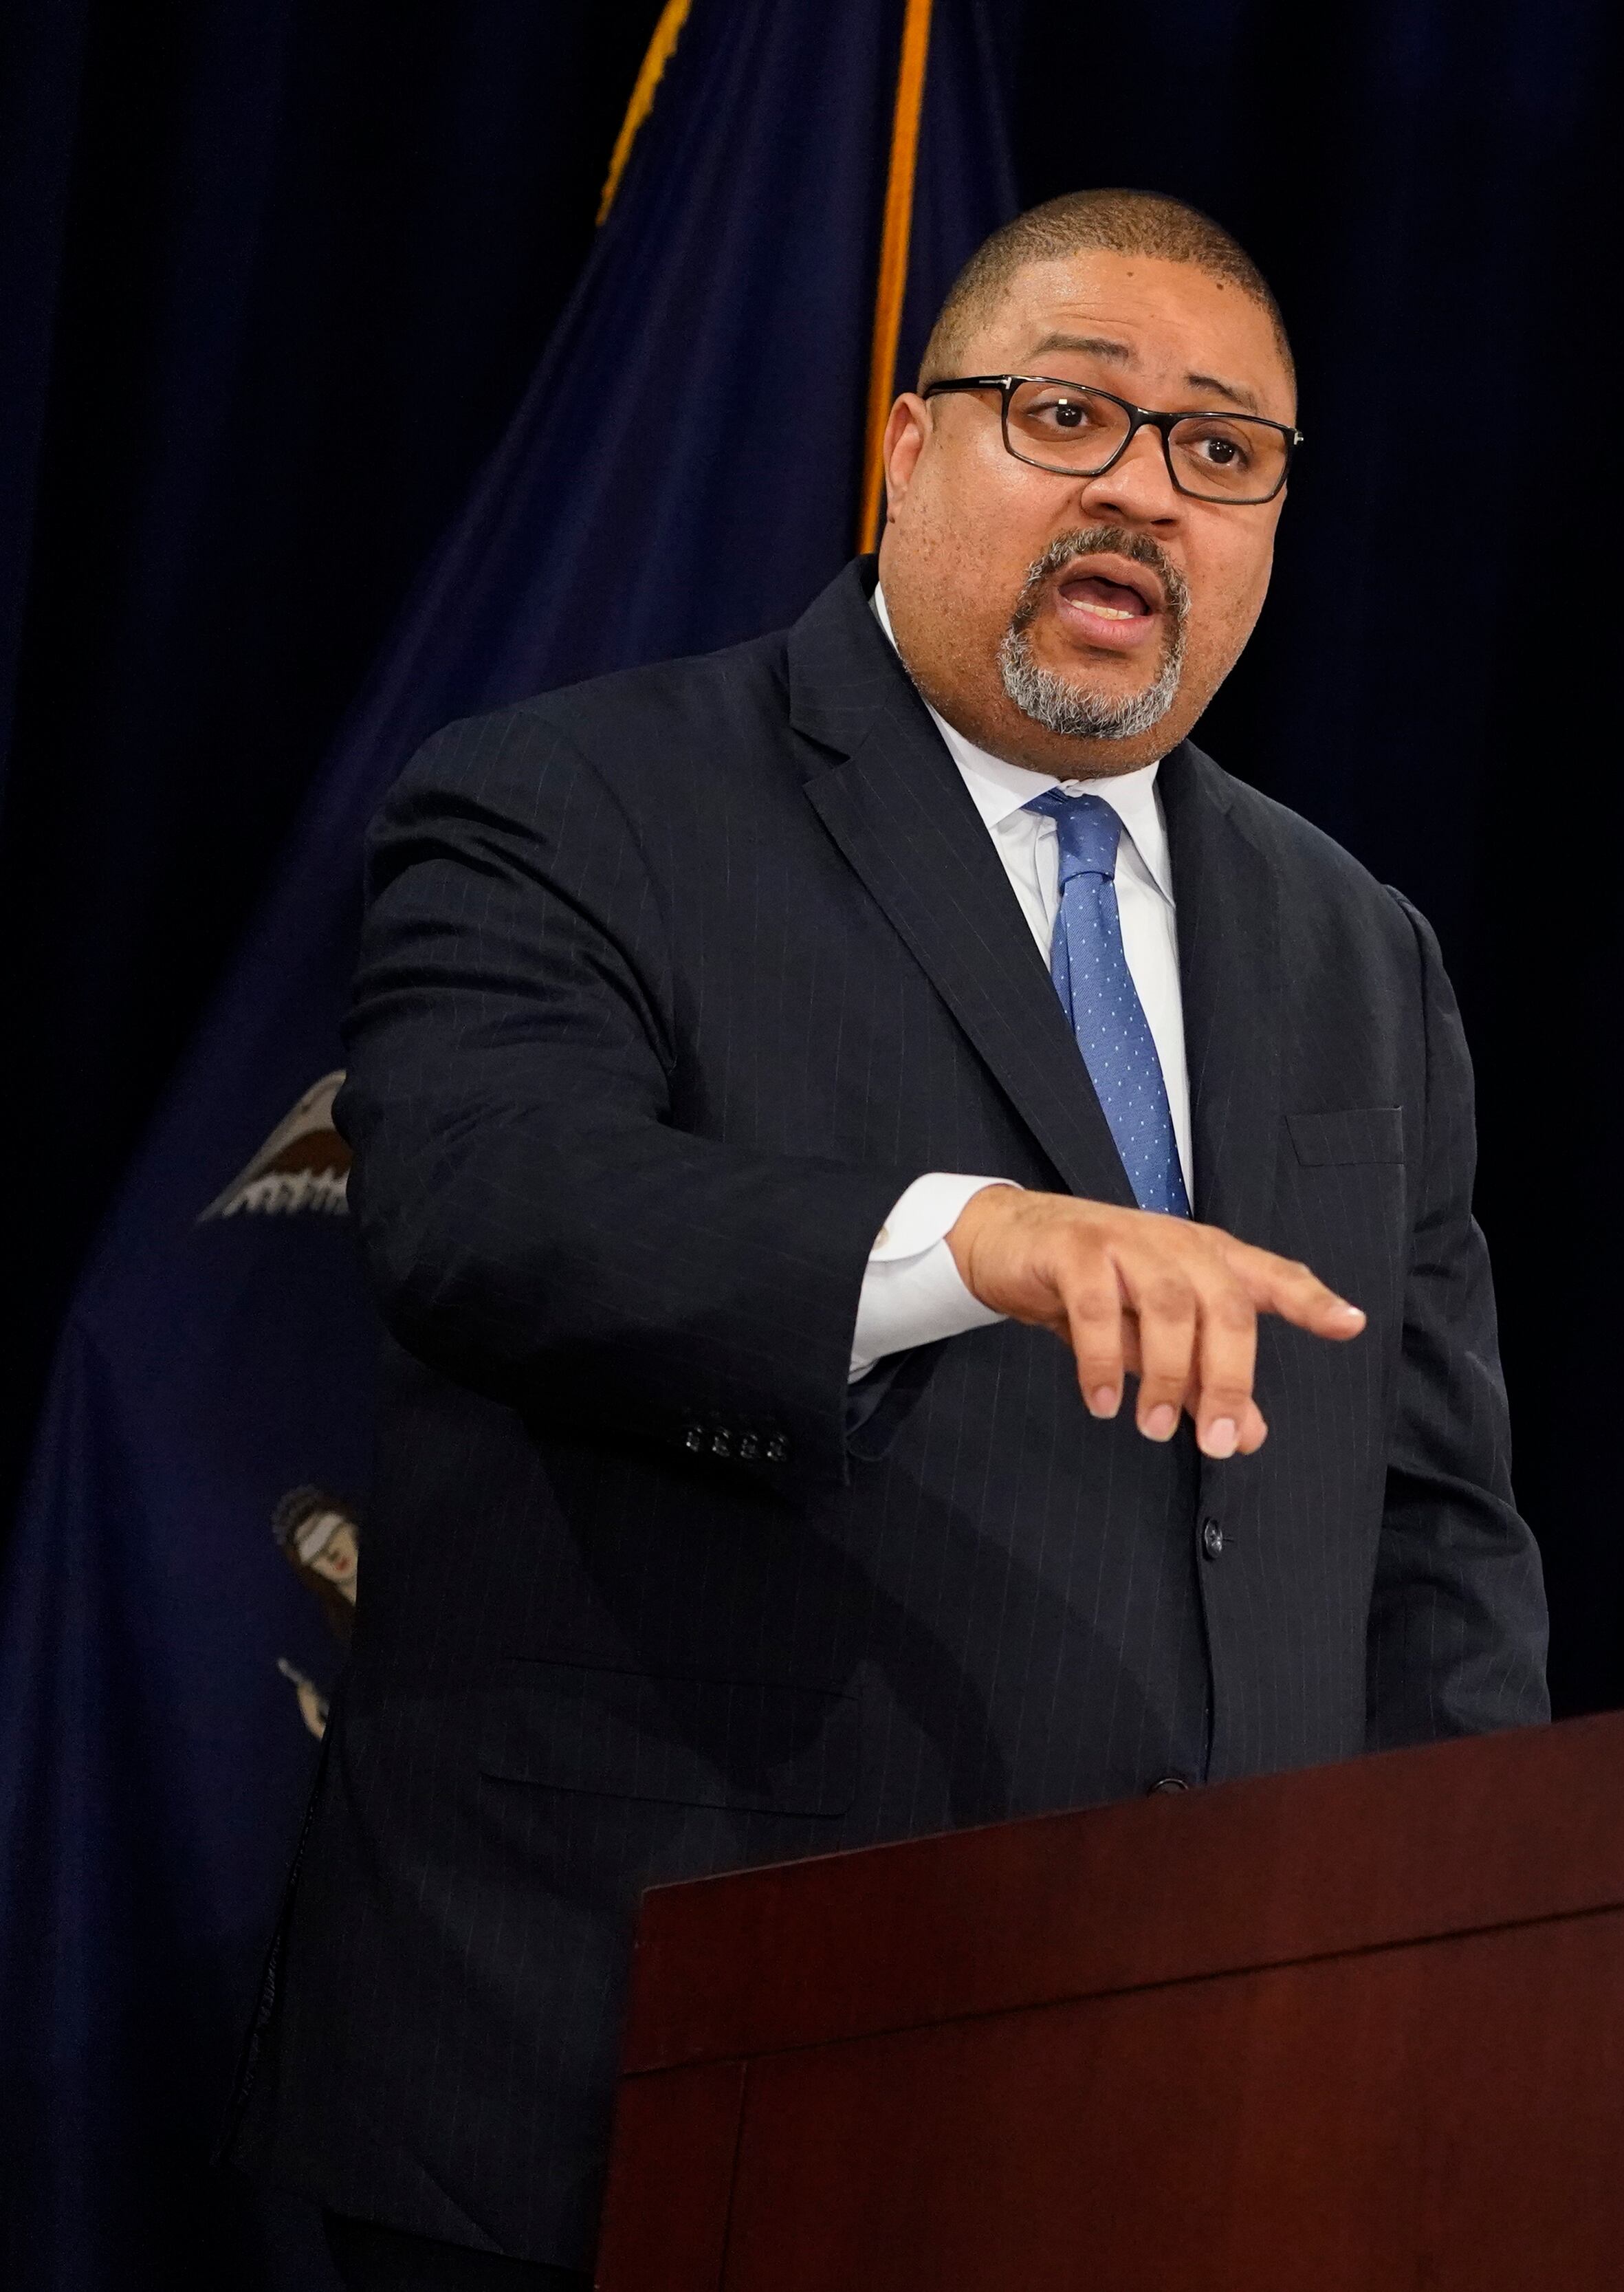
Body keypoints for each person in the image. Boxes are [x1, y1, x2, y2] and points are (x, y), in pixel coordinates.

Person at [229, 189, 1550, 2290]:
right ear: (910, 448)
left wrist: (1455, 1970)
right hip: (648, 2082)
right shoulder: (579, 803)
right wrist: (967, 1242)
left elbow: (1435, 1534)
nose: (1144, 490)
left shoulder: (1357, 952)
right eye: (1070, 413)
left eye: (1220, 450)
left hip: (1184, 2112)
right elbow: (486, 1203)